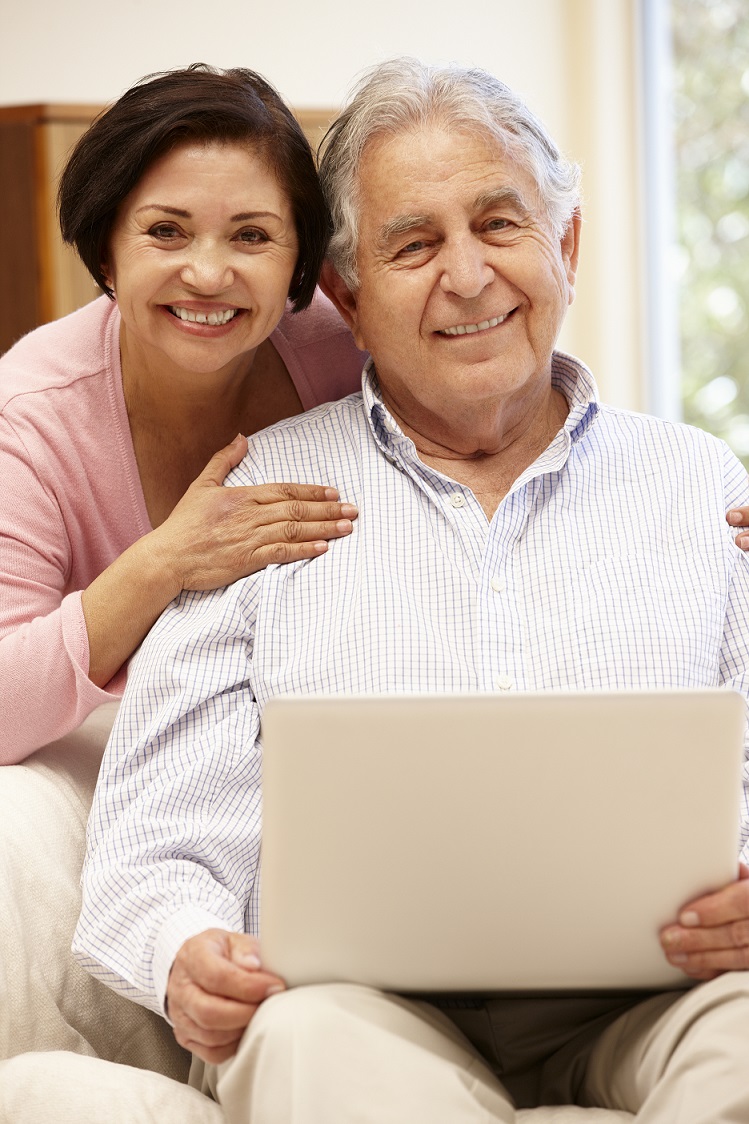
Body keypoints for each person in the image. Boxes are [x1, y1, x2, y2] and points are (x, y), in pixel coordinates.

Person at [76, 58, 749, 1122]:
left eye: (499, 224)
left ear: (563, 248)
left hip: (652, 995)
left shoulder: (699, 483)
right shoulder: (259, 500)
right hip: (357, 1006)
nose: (470, 275)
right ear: (345, 294)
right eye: (414, 244)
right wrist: (180, 949)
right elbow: (153, 837)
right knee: (302, 1040)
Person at [0, 64, 364, 764]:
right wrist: (164, 561)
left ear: (299, 261)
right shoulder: (29, 417)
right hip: (135, 760)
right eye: (166, 231)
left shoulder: (346, 355)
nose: (207, 274)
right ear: (107, 249)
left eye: (251, 236)